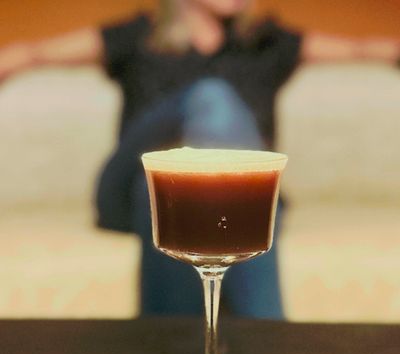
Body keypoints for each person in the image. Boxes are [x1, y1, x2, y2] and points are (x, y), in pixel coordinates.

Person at [1, 0, 399, 318]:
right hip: (132, 188)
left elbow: (362, 48)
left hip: (226, 203)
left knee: (201, 176)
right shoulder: (138, 35)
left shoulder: (268, 42)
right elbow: (33, 54)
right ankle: (269, 347)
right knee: (211, 99)